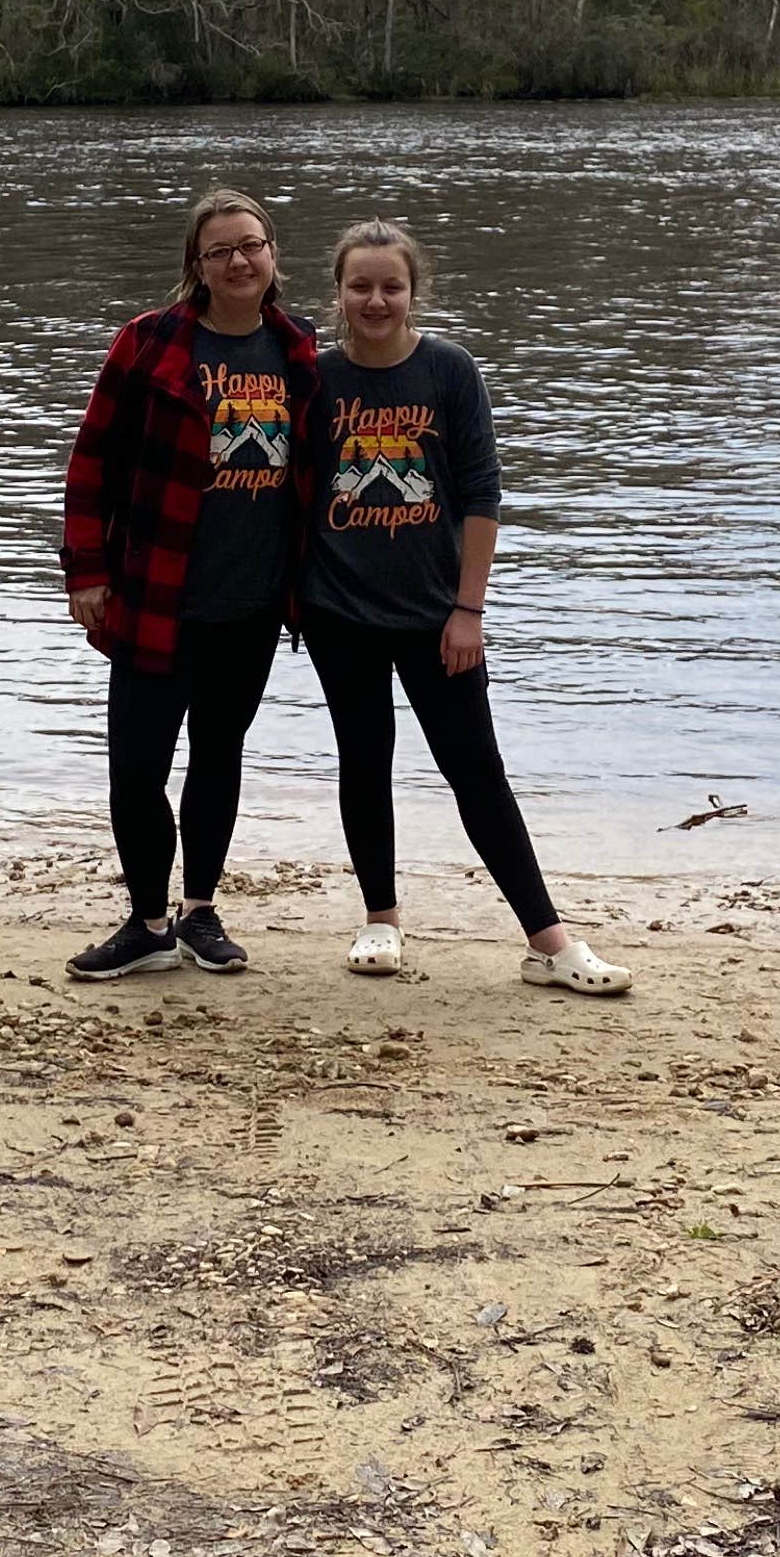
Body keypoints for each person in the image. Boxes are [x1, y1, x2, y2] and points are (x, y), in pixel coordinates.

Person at [303, 221, 629, 995]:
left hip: (436, 616)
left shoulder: (449, 371)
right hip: (338, 610)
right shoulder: (313, 380)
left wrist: (468, 610)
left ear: (415, 290)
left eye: (391, 285)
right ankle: (380, 920)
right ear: (340, 292)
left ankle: (548, 942)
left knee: (477, 772)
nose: (376, 300)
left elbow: (482, 495)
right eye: (361, 286)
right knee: (364, 760)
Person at [59, 190, 321, 981]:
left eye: (252, 245)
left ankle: (200, 911)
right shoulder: (149, 344)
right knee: (136, 767)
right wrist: (87, 572)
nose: (239, 261)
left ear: (273, 253)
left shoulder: (300, 349)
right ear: (196, 266)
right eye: (220, 251)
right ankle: (146, 922)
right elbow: (90, 463)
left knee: (219, 756)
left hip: (251, 602)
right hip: (154, 594)